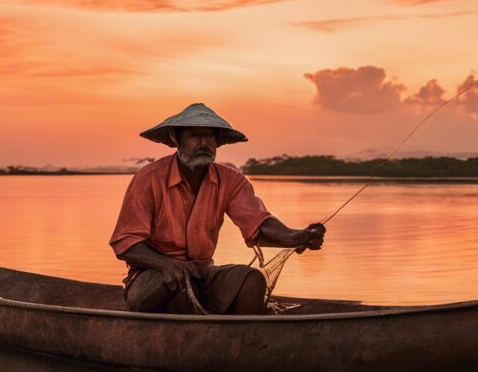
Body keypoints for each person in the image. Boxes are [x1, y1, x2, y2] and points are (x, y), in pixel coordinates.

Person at [110, 103, 325, 314]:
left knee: (252, 280)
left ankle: (240, 339)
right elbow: (126, 242)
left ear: (217, 141)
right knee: (171, 290)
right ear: (176, 139)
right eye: (194, 135)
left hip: (202, 273)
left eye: (210, 136)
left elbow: (258, 223)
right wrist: (167, 265)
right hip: (156, 274)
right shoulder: (149, 178)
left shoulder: (231, 180)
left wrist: (297, 236)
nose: (204, 143)